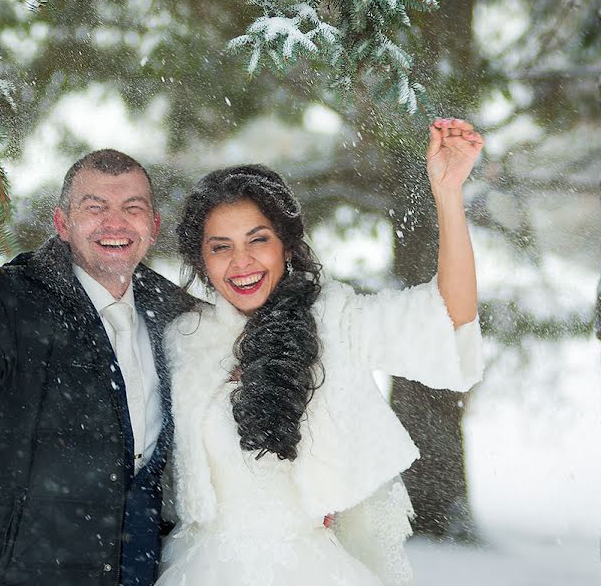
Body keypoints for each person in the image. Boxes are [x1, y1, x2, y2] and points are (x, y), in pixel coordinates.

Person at [155, 118, 486, 586]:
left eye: (258, 240)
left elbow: (449, 316)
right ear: (202, 262)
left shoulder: (334, 318)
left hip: (307, 567)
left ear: (286, 246)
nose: (241, 262)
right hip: (199, 566)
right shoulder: (180, 340)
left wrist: (448, 193)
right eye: (220, 247)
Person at [0, 149, 196, 586]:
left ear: (154, 226)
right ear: (62, 224)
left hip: (136, 566)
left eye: (132, 208)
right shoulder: (8, 302)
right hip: (14, 570)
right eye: (95, 208)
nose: (115, 223)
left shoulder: (176, 313)